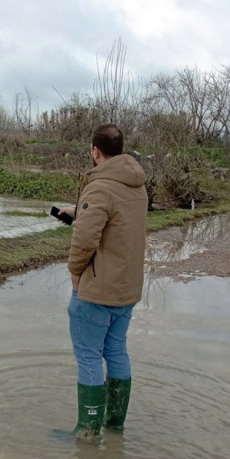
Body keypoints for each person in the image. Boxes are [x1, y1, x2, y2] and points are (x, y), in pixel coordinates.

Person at [58, 123, 147, 438]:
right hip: (128, 286)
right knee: (117, 350)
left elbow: (85, 239)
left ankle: (87, 429)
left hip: (97, 290)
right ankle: (114, 423)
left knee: (88, 355)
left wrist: (74, 273)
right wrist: (78, 212)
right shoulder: (136, 184)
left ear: (95, 151)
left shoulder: (99, 187)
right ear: (121, 150)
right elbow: (116, 226)